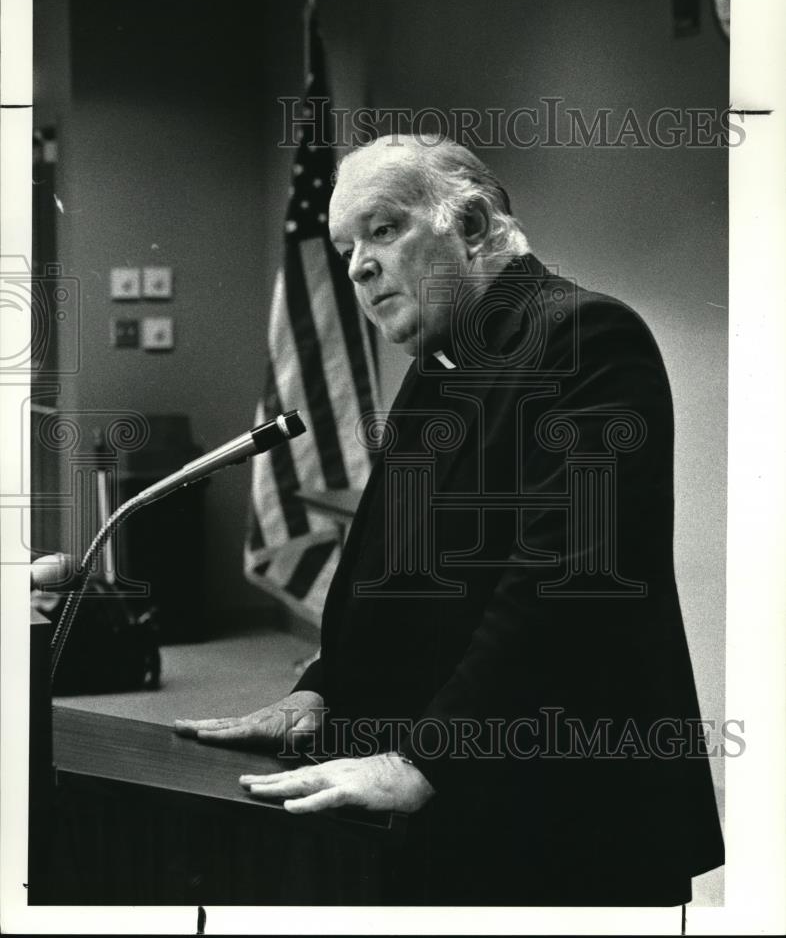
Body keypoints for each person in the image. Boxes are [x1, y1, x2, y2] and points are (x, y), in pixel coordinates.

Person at [175, 134, 725, 905]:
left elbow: (564, 587)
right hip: (461, 801)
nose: (359, 266)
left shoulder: (587, 338)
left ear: (470, 226)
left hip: (563, 820)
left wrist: (425, 761)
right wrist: (322, 691)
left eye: (383, 230)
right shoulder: (444, 359)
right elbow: (393, 565)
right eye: (344, 248)